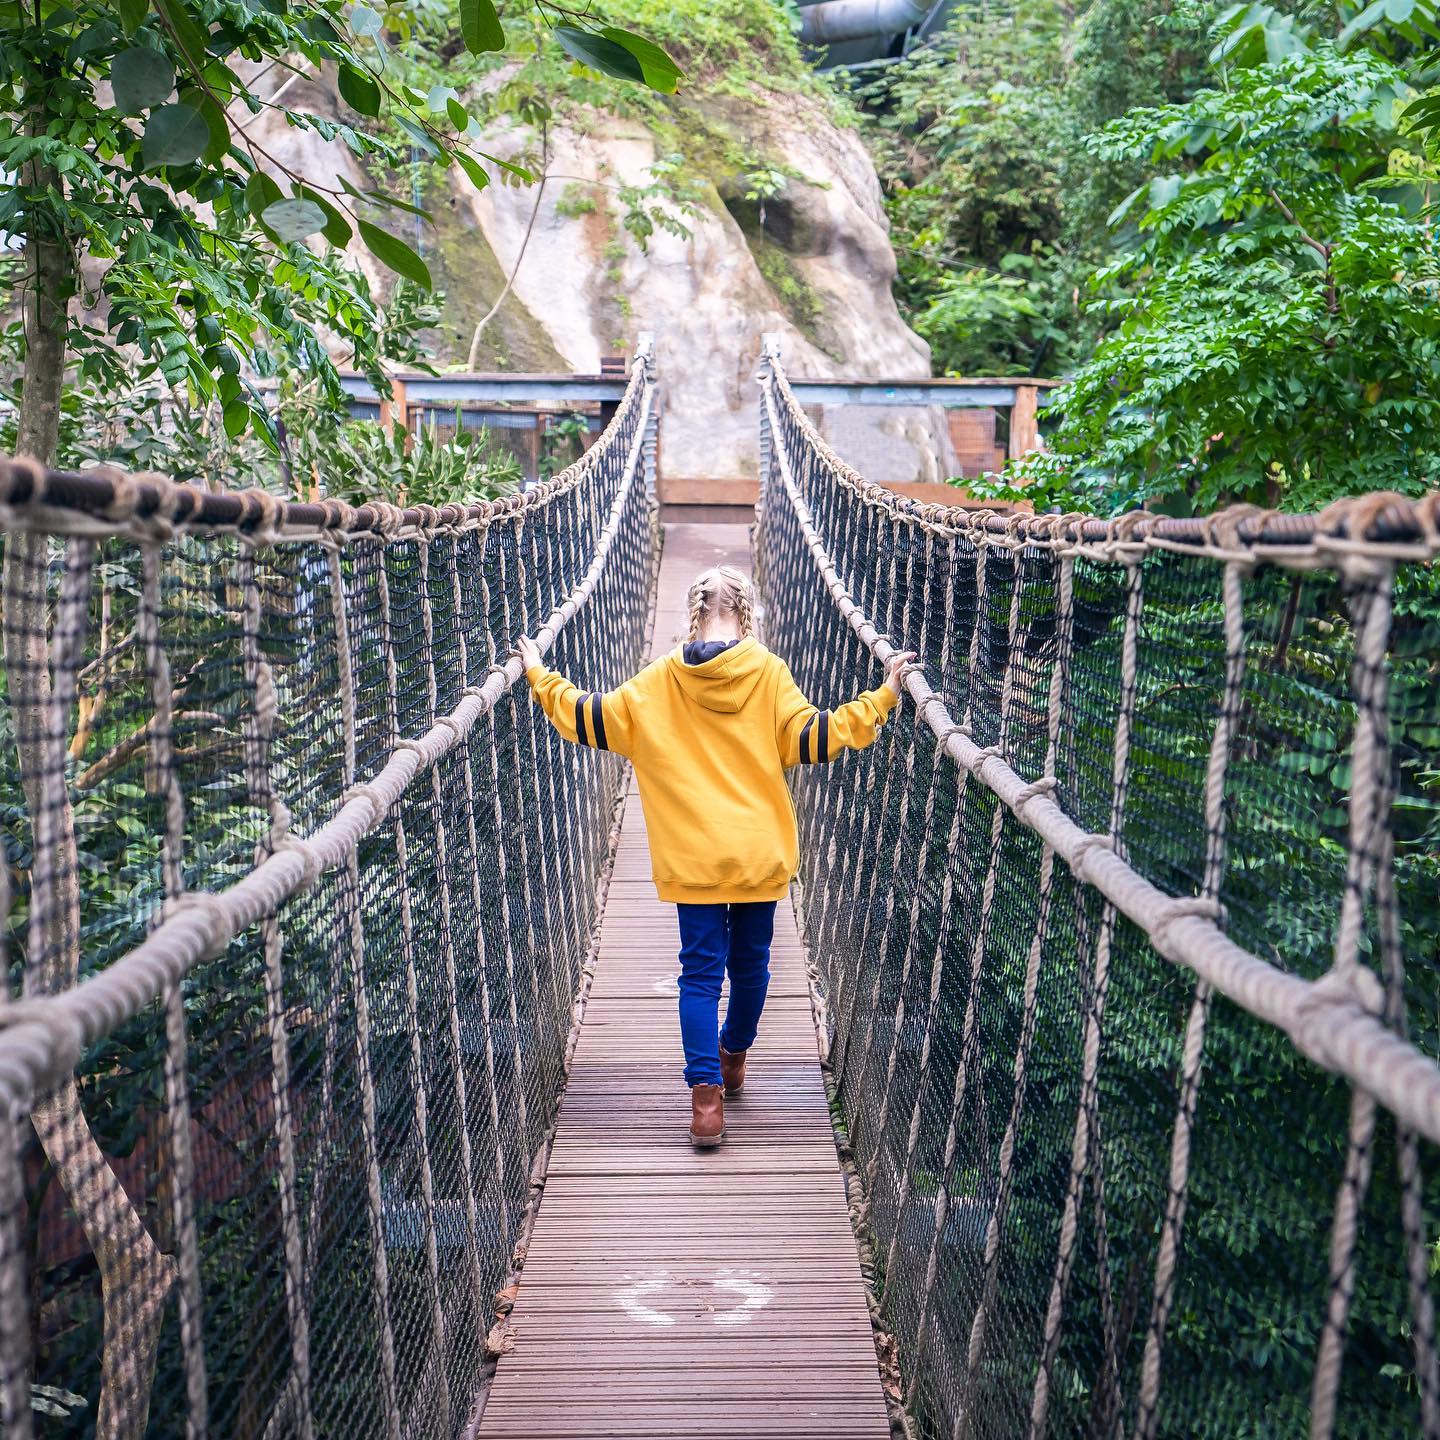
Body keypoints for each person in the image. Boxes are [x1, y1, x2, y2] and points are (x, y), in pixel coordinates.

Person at [516, 564, 913, 1148]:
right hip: (758, 856)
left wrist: (539, 676)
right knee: (752, 970)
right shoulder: (769, 673)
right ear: (748, 612)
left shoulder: (657, 681)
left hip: (693, 861)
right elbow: (815, 738)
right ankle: (733, 1054)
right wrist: (883, 696)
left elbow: (590, 719)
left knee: (699, 976)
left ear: (693, 611)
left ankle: (706, 1104)